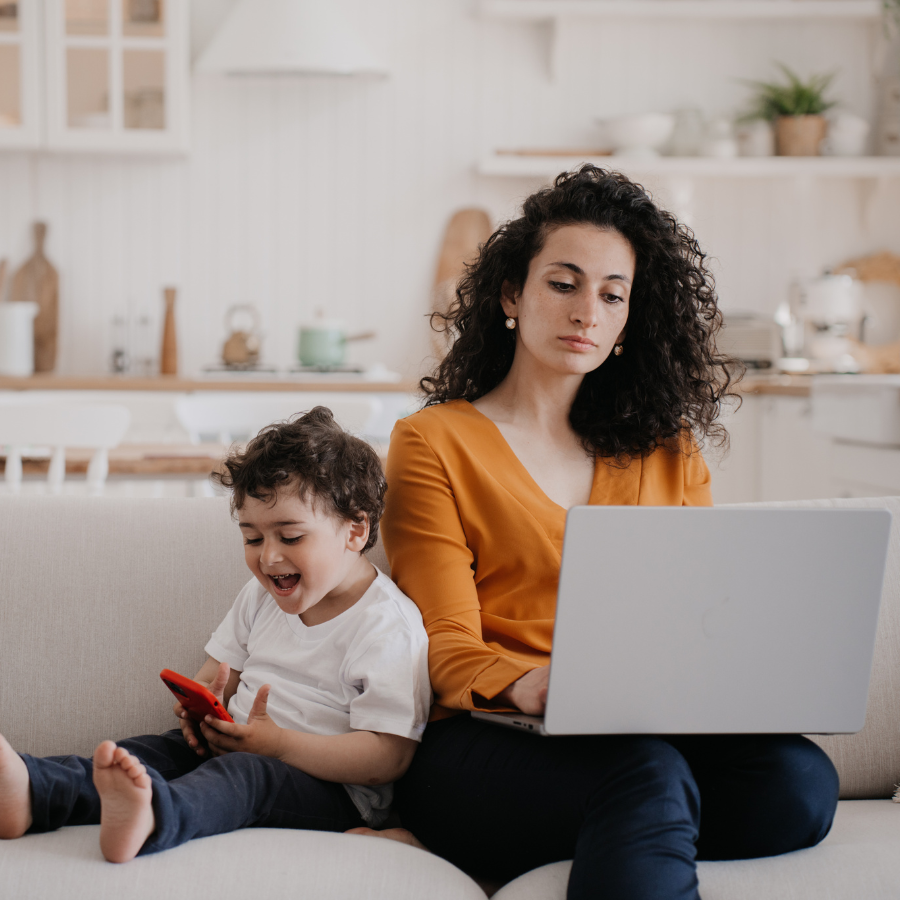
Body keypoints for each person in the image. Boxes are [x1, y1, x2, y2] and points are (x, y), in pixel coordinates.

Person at [360, 166, 840, 899]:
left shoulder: (667, 447)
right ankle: (619, 816)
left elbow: (705, 621)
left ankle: (615, 824)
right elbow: (445, 650)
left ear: (627, 322)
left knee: (799, 783)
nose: (588, 310)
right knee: (648, 775)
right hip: (489, 739)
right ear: (512, 295)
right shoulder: (433, 442)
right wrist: (529, 684)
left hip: (638, 730)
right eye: (564, 283)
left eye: (612, 294)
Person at [0, 407, 431, 863]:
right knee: (150, 752)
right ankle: (33, 790)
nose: (268, 558)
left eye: (289, 537)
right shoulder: (262, 596)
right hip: (237, 749)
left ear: (355, 530)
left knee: (245, 777)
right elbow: (218, 673)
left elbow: (388, 758)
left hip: (330, 792)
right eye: (252, 539)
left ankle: (154, 819)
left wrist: (280, 746)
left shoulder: (387, 626)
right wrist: (202, 708)